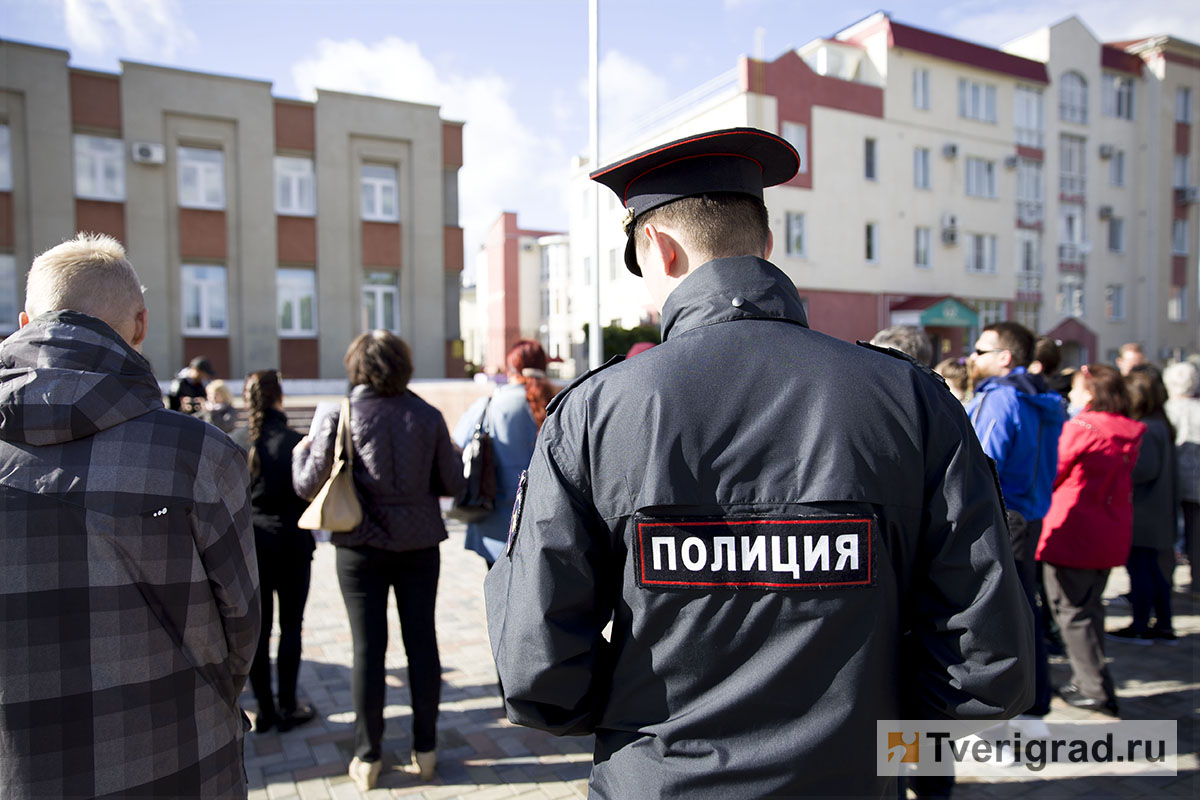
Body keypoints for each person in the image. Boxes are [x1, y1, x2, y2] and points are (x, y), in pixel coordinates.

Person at [484, 128, 1034, 798]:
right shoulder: (911, 401)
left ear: (659, 247)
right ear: (766, 245)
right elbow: (986, 664)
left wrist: (648, 735)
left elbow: (537, 670)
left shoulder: (596, 414)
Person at [0, 233, 259, 799]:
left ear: (25, 321)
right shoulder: (200, 453)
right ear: (140, 324)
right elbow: (240, 624)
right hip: (179, 758)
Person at [293, 331, 462, 791]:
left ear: (356, 365)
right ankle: (425, 750)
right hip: (420, 544)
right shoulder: (427, 414)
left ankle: (367, 758)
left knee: (368, 650)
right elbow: (452, 482)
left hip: (359, 546)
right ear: (403, 365)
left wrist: (300, 454)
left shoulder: (340, 412)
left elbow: (308, 486)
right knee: (421, 643)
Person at [965, 321, 1065, 717]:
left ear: (1005, 358)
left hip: (1004, 513)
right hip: (1029, 511)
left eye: (980, 350)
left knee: (1003, 618)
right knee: (1025, 610)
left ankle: (1018, 710)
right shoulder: (1041, 395)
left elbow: (978, 465)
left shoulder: (1001, 397)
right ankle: (1035, 705)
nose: (972, 357)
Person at [1037, 364, 1144, 716]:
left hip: (1075, 531)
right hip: (1109, 530)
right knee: (1089, 608)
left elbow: (1052, 469)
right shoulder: (1127, 428)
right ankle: (1095, 679)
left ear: (1092, 393)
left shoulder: (1083, 427)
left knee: (1070, 610)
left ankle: (1093, 686)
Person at [233, 370, 318, 732]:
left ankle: (264, 710)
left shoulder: (236, 441)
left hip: (253, 548)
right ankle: (287, 705)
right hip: (293, 546)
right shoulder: (296, 442)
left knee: (260, 631)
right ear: (279, 398)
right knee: (291, 628)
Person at [454, 339, 556, 567]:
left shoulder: (489, 405)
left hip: (496, 524)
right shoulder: (562, 403)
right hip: (550, 524)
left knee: (500, 597)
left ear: (511, 369)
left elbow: (457, 445)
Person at [1108, 366, 1179, 644]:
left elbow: (1144, 469)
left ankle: (1141, 624)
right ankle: (1163, 624)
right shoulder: (1161, 423)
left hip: (1145, 514)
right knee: (1156, 572)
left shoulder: (1147, 428)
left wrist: (1116, 468)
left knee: (1142, 571)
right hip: (1157, 512)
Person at [1163, 360, 1200, 592]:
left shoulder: (1165, 411)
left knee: (1168, 537)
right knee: (1196, 537)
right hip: (1194, 484)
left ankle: (1166, 582)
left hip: (1170, 484)